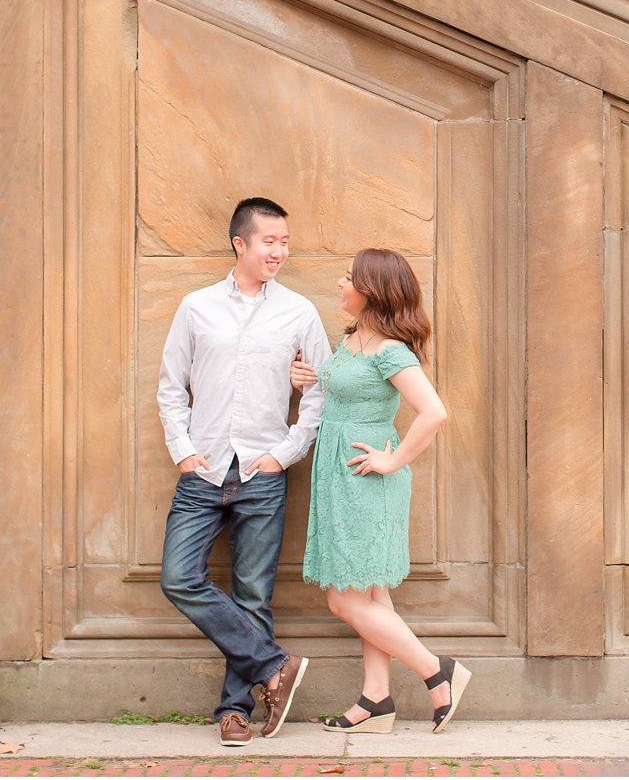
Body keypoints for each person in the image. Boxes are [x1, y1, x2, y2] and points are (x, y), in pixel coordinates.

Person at [157, 197, 333, 746]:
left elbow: (320, 392)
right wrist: (183, 449)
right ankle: (275, 666)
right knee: (178, 578)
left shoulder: (299, 311)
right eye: (269, 241)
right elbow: (170, 387)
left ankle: (234, 712)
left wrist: (284, 453)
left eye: (284, 241)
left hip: (262, 472)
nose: (279, 251)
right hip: (203, 470)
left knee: (253, 594)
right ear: (241, 243)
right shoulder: (196, 306)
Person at [289, 248, 470, 734]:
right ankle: (375, 700)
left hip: (366, 479)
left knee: (345, 601)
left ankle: (437, 670)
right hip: (343, 475)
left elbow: (433, 412)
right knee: (372, 596)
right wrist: (310, 380)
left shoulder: (391, 349)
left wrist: (391, 459)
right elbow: (345, 391)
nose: (339, 282)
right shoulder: (355, 339)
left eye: (348, 277)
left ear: (372, 290)